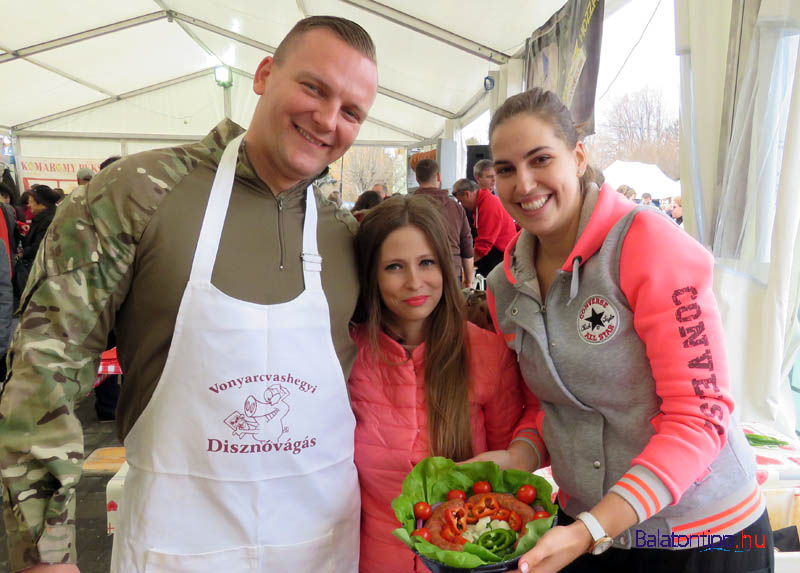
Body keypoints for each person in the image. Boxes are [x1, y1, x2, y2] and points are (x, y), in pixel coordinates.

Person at [0, 15, 378, 573]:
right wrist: (44, 553)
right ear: (264, 74)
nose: (327, 120)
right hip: (177, 549)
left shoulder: (347, 235)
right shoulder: (134, 193)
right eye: (313, 88)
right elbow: (44, 371)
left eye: (351, 112)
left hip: (322, 546)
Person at [472, 88, 772, 573]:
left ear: (578, 156)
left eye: (540, 159)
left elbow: (701, 413)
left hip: (701, 535)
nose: (523, 183)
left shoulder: (648, 242)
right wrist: (518, 457)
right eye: (505, 169)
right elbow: (544, 404)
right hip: (586, 530)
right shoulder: (506, 284)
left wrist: (595, 526)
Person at [348, 195, 539, 572]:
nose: (414, 282)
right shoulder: (347, 356)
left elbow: (506, 473)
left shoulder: (487, 352)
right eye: (394, 267)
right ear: (370, 273)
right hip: (369, 558)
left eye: (426, 263)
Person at [413, 158, 474, 287]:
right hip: (452, 270)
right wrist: (468, 281)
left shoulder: (407, 207)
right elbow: (467, 246)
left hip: (419, 273)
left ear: (417, 179)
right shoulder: (456, 208)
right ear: (438, 176)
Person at [452, 177, 516, 278]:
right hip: (495, 252)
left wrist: (465, 265)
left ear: (467, 194)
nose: (462, 205)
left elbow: (483, 246)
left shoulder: (488, 206)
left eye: (461, 201)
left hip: (501, 256)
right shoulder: (481, 203)